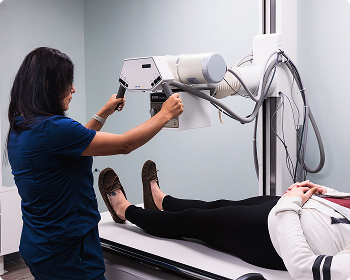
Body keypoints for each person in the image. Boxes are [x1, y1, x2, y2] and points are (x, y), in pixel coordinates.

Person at [6, 47, 183, 280]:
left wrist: (103, 113)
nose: (73, 89)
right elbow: (124, 145)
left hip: (39, 244)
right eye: (68, 82)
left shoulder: (22, 126)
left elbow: (76, 145)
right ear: (49, 84)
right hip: (68, 250)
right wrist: (164, 115)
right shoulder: (55, 129)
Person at [99, 160, 350, 280]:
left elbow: (304, 267)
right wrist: (325, 193)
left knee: (193, 222)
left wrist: (292, 204)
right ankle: (163, 201)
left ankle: (125, 210)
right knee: (216, 207)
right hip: (295, 207)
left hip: (273, 236)